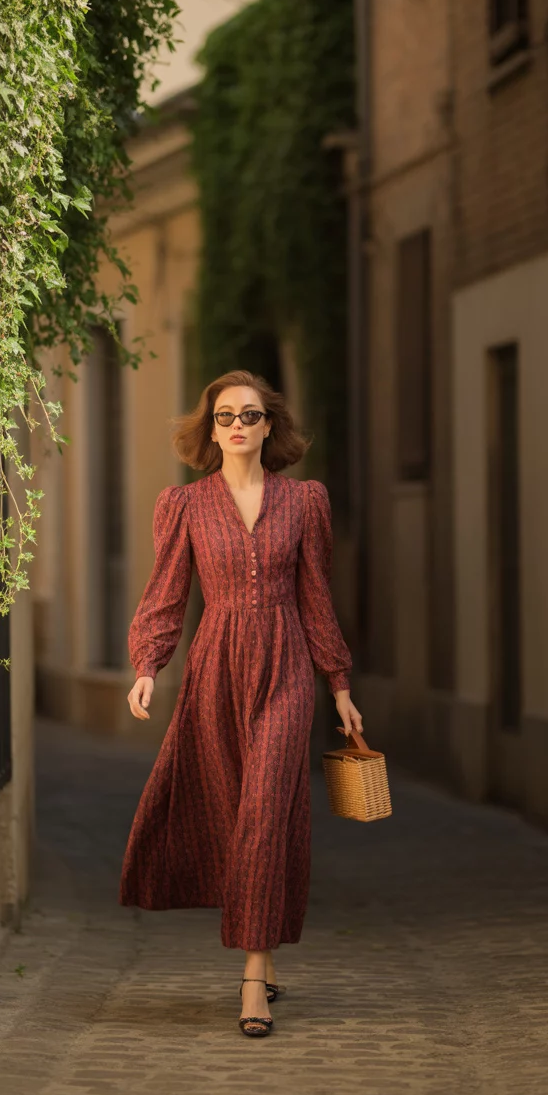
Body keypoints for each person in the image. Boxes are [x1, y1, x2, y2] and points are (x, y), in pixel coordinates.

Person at [119, 369, 363, 1037]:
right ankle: (267, 947)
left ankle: (252, 981)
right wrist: (148, 665)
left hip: (285, 667)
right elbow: (167, 593)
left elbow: (316, 597)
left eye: (250, 416)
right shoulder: (186, 505)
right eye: (225, 415)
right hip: (216, 669)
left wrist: (337, 683)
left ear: (269, 427)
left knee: (265, 807)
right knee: (238, 815)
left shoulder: (305, 502)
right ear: (211, 428)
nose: (237, 426)